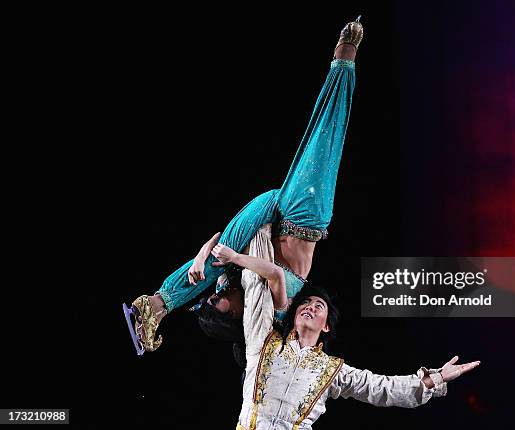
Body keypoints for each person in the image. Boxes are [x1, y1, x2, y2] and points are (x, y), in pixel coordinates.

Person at [122, 17, 364, 355]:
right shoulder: (274, 305)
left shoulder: (230, 279)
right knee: (324, 141)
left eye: (213, 298)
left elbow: (222, 243)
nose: (216, 296)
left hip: (273, 212)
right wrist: (233, 256)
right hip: (307, 216)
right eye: (218, 303)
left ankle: (158, 303)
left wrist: (200, 256)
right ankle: (345, 61)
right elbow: (275, 275)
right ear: (234, 315)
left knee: (209, 266)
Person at [215, 225, 481, 429]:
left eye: (319, 306)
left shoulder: (332, 371)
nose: (310, 307)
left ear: (326, 326)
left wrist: (437, 377)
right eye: (306, 303)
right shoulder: (263, 343)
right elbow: (256, 285)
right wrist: (254, 235)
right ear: (294, 315)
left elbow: (382, 388)